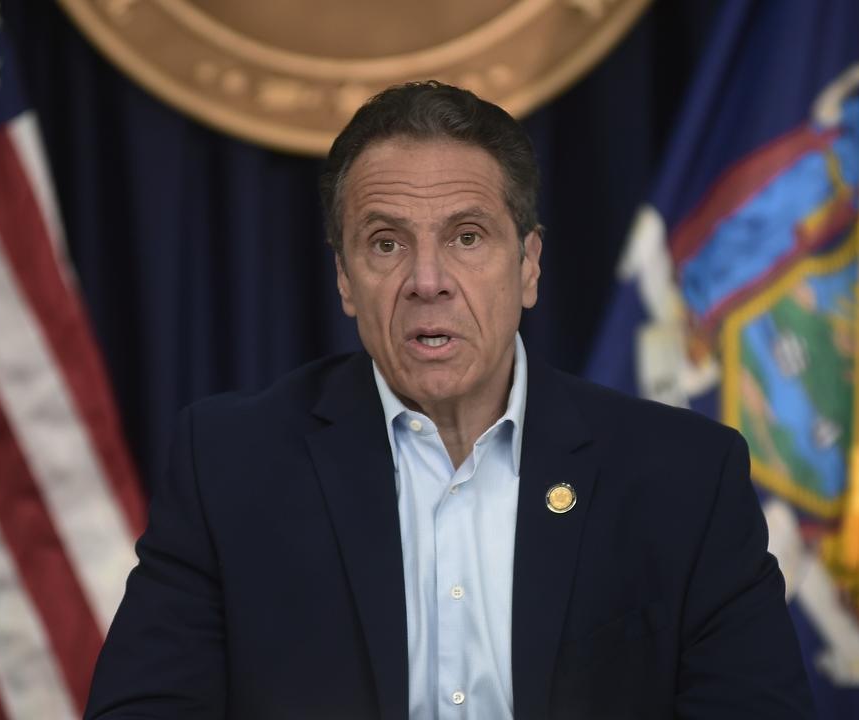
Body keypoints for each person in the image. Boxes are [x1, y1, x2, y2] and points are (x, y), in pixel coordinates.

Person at [85, 81, 815, 719]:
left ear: (528, 265)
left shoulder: (683, 478)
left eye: (467, 238)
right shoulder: (231, 467)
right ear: (344, 279)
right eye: (385, 244)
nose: (427, 280)